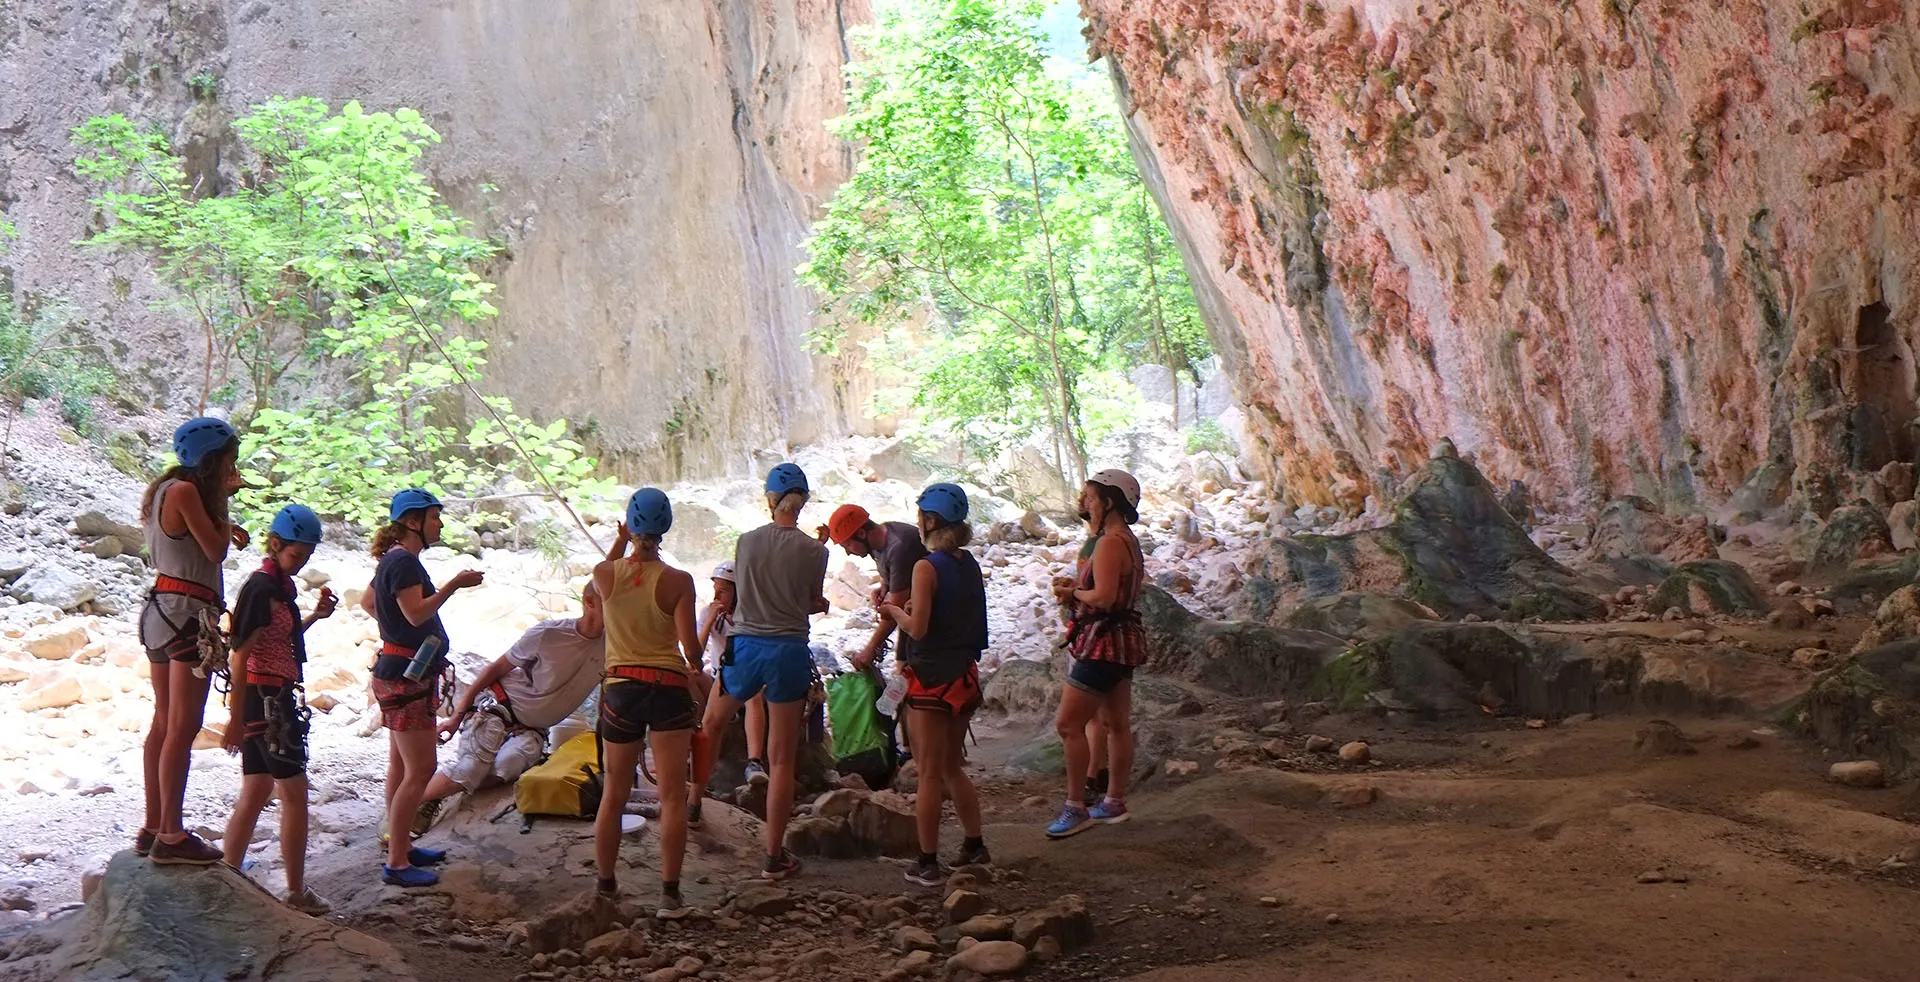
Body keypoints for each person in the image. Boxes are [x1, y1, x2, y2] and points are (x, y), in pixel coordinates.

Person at [693, 463, 828, 881]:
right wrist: (819, 601)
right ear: (802, 502)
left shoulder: (746, 542)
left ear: (770, 500)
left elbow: (748, 594)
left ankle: (694, 801)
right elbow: (809, 602)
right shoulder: (816, 551)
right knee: (782, 759)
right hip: (789, 650)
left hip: (747, 645)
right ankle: (774, 856)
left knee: (711, 723)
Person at [591, 488, 710, 916]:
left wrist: (621, 540)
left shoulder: (605, 575)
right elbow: (692, 651)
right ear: (666, 528)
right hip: (667, 686)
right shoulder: (679, 581)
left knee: (614, 795)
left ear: (630, 525)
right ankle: (670, 895)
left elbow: (604, 573)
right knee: (674, 796)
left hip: (621, 688)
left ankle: (606, 887)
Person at [136, 417, 247, 865]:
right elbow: (216, 551)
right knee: (181, 727)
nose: (231, 471)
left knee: (164, 723)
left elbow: (198, 543)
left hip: (162, 610)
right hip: (187, 615)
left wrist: (221, 515)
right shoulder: (186, 493)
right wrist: (223, 508)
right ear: (210, 461)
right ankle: (172, 835)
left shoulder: (165, 491)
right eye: (228, 463)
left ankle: (152, 827)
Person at [361, 488, 483, 886]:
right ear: (413, 522)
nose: (440, 524)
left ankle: (399, 844)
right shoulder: (405, 564)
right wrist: (454, 585)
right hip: (406, 676)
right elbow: (415, 615)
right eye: (434, 518)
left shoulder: (391, 561)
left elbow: (369, 601)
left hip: (396, 669)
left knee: (400, 765)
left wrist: (392, 628)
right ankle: (397, 861)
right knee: (422, 769)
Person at [411, 583, 609, 829]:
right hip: (498, 707)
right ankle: (405, 808)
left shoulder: (613, 646)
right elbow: (494, 669)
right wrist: (456, 717)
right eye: (611, 602)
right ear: (590, 603)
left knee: (505, 768)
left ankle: (444, 788)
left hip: (533, 728)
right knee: (470, 768)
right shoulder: (548, 634)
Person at [219, 504, 337, 913]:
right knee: (294, 794)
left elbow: (275, 643)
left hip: (267, 696)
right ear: (275, 545)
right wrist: (235, 720)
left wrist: (315, 618)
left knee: (255, 791)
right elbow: (241, 654)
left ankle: (228, 874)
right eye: (295, 555)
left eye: (306, 556)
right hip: (267, 701)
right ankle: (297, 892)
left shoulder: (278, 587)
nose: (301, 562)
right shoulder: (261, 589)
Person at [876, 484, 989, 886]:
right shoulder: (968, 563)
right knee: (951, 766)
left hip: (931, 682)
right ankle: (974, 844)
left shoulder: (926, 567)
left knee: (928, 773)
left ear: (931, 521)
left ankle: (926, 861)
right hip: (963, 676)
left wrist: (891, 609)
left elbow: (918, 628)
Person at [1046, 469, 1147, 839]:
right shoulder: (1127, 540)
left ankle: (1076, 806)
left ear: (1109, 503)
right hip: (1122, 642)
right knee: (1115, 724)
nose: (1084, 503)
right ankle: (1114, 800)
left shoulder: (1108, 543)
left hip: (1102, 645)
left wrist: (1074, 594)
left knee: (1068, 725)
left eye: (1090, 498)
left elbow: (1103, 597)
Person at [822, 504, 927, 672]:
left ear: (861, 533)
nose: (848, 553)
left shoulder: (899, 547)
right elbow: (892, 572)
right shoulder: (878, 539)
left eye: (848, 546)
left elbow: (896, 608)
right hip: (913, 611)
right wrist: (884, 586)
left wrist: (870, 649)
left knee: (908, 672)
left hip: (929, 615)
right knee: (902, 669)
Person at [688, 561, 742, 826]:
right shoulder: (709, 613)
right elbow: (695, 656)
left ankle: (697, 795)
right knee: (690, 675)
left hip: (744, 683)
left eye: (724, 592)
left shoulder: (747, 618)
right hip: (720, 679)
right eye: (715, 590)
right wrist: (709, 620)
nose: (717, 597)